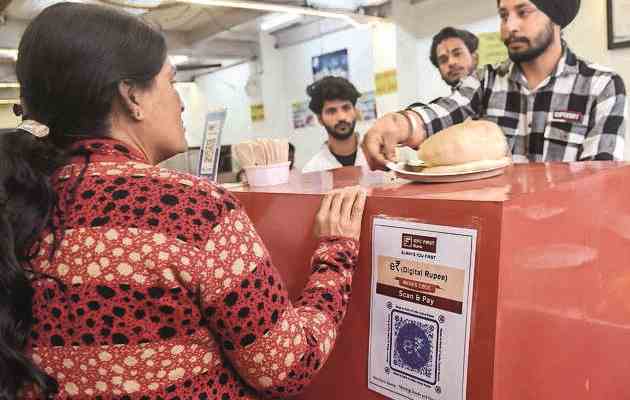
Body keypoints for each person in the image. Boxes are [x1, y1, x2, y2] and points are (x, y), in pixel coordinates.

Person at [0, 3, 367, 399]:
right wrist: (336, 256)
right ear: (131, 97)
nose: (181, 102)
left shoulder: (18, 202)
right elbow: (286, 367)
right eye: (172, 83)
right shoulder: (193, 210)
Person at [363, 0, 627, 167]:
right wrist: (398, 124)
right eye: (503, 15)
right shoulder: (485, 80)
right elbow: (443, 113)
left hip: (567, 236)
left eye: (523, 12)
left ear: (555, 17)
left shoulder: (600, 86)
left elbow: (600, 179)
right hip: (497, 234)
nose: (509, 26)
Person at [302, 76, 368, 173]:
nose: (341, 117)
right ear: (320, 119)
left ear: (355, 111)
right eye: (331, 111)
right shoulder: (312, 170)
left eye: (346, 108)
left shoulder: (377, 156)